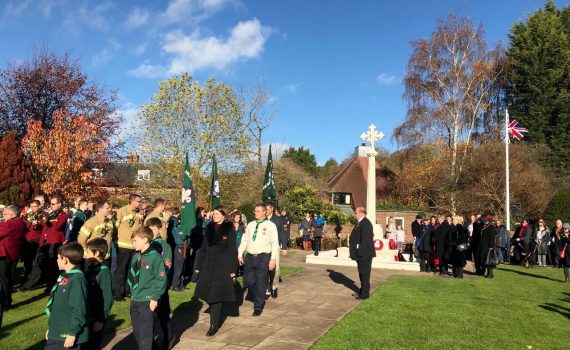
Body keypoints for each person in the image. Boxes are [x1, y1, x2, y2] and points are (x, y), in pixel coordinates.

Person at [194, 206, 237, 336]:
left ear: (224, 215)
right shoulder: (209, 228)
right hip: (208, 265)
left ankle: (214, 324)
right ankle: (216, 315)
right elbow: (203, 249)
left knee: (217, 295)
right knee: (209, 294)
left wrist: (232, 269)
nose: (214, 216)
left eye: (218, 214)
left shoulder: (229, 229)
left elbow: (232, 250)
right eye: (214, 214)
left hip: (223, 267)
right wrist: (198, 266)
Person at [128, 227, 167, 349]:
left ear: (145, 240)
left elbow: (161, 279)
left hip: (147, 300)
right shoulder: (136, 256)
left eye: (135, 240)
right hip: (135, 299)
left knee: (145, 334)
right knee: (137, 332)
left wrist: (154, 298)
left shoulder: (155, 257)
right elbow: (133, 276)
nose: (133, 243)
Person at [238, 203, 279, 316]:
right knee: (248, 281)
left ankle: (258, 307)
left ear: (264, 212)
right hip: (250, 257)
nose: (255, 213)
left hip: (263, 257)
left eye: (258, 211)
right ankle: (257, 295)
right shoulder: (251, 225)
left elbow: (275, 243)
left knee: (261, 282)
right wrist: (240, 254)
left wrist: (273, 259)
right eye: (255, 211)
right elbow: (244, 240)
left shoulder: (271, 225)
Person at [45, 243, 89, 349]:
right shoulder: (65, 277)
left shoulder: (77, 280)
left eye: (58, 258)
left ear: (65, 259)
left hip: (66, 336)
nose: (57, 260)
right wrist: (52, 328)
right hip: (56, 332)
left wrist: (72, 333)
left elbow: (79, 309)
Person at [22, 195, 68, 292]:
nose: (51, 205)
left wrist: (50, 218)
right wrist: (37, 223)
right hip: (44, 242)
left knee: (52, 266)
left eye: (53, 204)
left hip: (54, 242)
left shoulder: (63, 214)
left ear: (59, 204)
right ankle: (28, 285)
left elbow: (59, 226)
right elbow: (40, 223)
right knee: (38, 264)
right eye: (50, 203)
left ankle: (50, 287)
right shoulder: (47, 212)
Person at [146, 217, 175, 349]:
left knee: (163, 315)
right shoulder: (145, 244)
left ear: (159, 230)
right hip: (146, 288)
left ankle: (168, 337)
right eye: (149, 228)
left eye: (154, 228)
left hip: (159, 287)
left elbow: (167, 266)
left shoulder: (164, 246)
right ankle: (150, 342)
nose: (151, 231)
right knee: (148, 318)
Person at [84, 238, 114, 350]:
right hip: (87, 315)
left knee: (93, 344)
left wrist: (101, 319)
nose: (85, 255)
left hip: (97, 318)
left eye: (87, 252)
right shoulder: (89, 269)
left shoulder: (104, 272)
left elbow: (108, 298)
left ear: (96, 253)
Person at [113, 194, 143, 301]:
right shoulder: (121, 211)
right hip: (122, 245)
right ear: (133, 201)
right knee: (121, 269)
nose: (140, 203)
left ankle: (127, 291)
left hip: (134, 246)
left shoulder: (138, 213)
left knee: (130, 269)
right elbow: (114, 227)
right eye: (138, 201)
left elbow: (139, 227)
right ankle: (118, 293)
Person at [0, 205, 27, 308]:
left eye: (5, 214)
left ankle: (5, 302)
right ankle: (8, 300)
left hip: (4, 254)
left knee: (3, 279)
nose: (3, 215)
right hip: (14, 254)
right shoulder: (21, 222)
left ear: (11, 214)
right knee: (9, 278)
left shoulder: (9, 224)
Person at [349, 207, 375, 300]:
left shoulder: (366, 223)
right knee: (362, 274)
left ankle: (364, 294)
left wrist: (360, 253)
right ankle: (362, 291)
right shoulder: (360, 223)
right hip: (360, 253)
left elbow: (366, 240)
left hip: (364, 254)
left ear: (361, 213)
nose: (354, 214)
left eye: (356, 213)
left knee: (364, 274)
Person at [266, 202, 284, 299]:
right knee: (265, 269)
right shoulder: (262, 219)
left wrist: (284, 246)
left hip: (275, 247)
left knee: (276, 269)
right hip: (264, 247)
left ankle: (274, 288)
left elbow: (282, 232)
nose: (266, 211)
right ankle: (267, 289)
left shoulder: (277, 220)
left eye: (267, 209)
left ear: (272, 209)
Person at [22, 200, 43, 282]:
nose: (33, 208)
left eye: (35, 206)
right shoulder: (29, 214)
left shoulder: (41, 215)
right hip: (27, 239)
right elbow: (25, 224)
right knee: (27, 261)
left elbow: (41, 225)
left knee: (35, 261)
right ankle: (27, 277)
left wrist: (36, 224)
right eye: (32, 206)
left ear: (39, 206)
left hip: (36, 239)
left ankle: (34, 279)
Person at [168, 208, 188, 292]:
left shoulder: (174, 221)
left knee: (181, 266)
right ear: (178, 213)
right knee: (178, 266)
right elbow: (181, 235)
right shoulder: (174, 222)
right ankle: (175, 285)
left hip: (178, 245)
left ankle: (180, 284)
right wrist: (185, 233)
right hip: (178, 245)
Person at [188, 207, 206, 277]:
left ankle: (193, 273)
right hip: (197, 242)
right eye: (203, 212)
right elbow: (197, 231)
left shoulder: (200, 220)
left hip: (199, 241)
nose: (204, 214)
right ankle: (194, 275)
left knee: (196, 257)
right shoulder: (197, 221)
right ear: (199, 213)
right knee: (196, 258)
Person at [479, 213, 497, 278]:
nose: (484, 221)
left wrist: (491, 247)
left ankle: (490, 274)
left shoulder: (491, 227)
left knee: (489, 260)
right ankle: (486, 272)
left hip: (488, 247)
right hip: (484, 246)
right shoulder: (485, 226)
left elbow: (492, 238)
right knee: (485, 260)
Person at [232, 210, 245, 276]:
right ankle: (236, 271)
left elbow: (243, 233)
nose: (238, 219)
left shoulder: (241, 225)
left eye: (239, 217)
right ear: (233, 218)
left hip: (240, 242)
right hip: (235, 243)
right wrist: (236, 229)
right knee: (235, 257)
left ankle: (241, 269)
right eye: (237, 217)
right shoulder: (231, 225)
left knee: (241, 256)